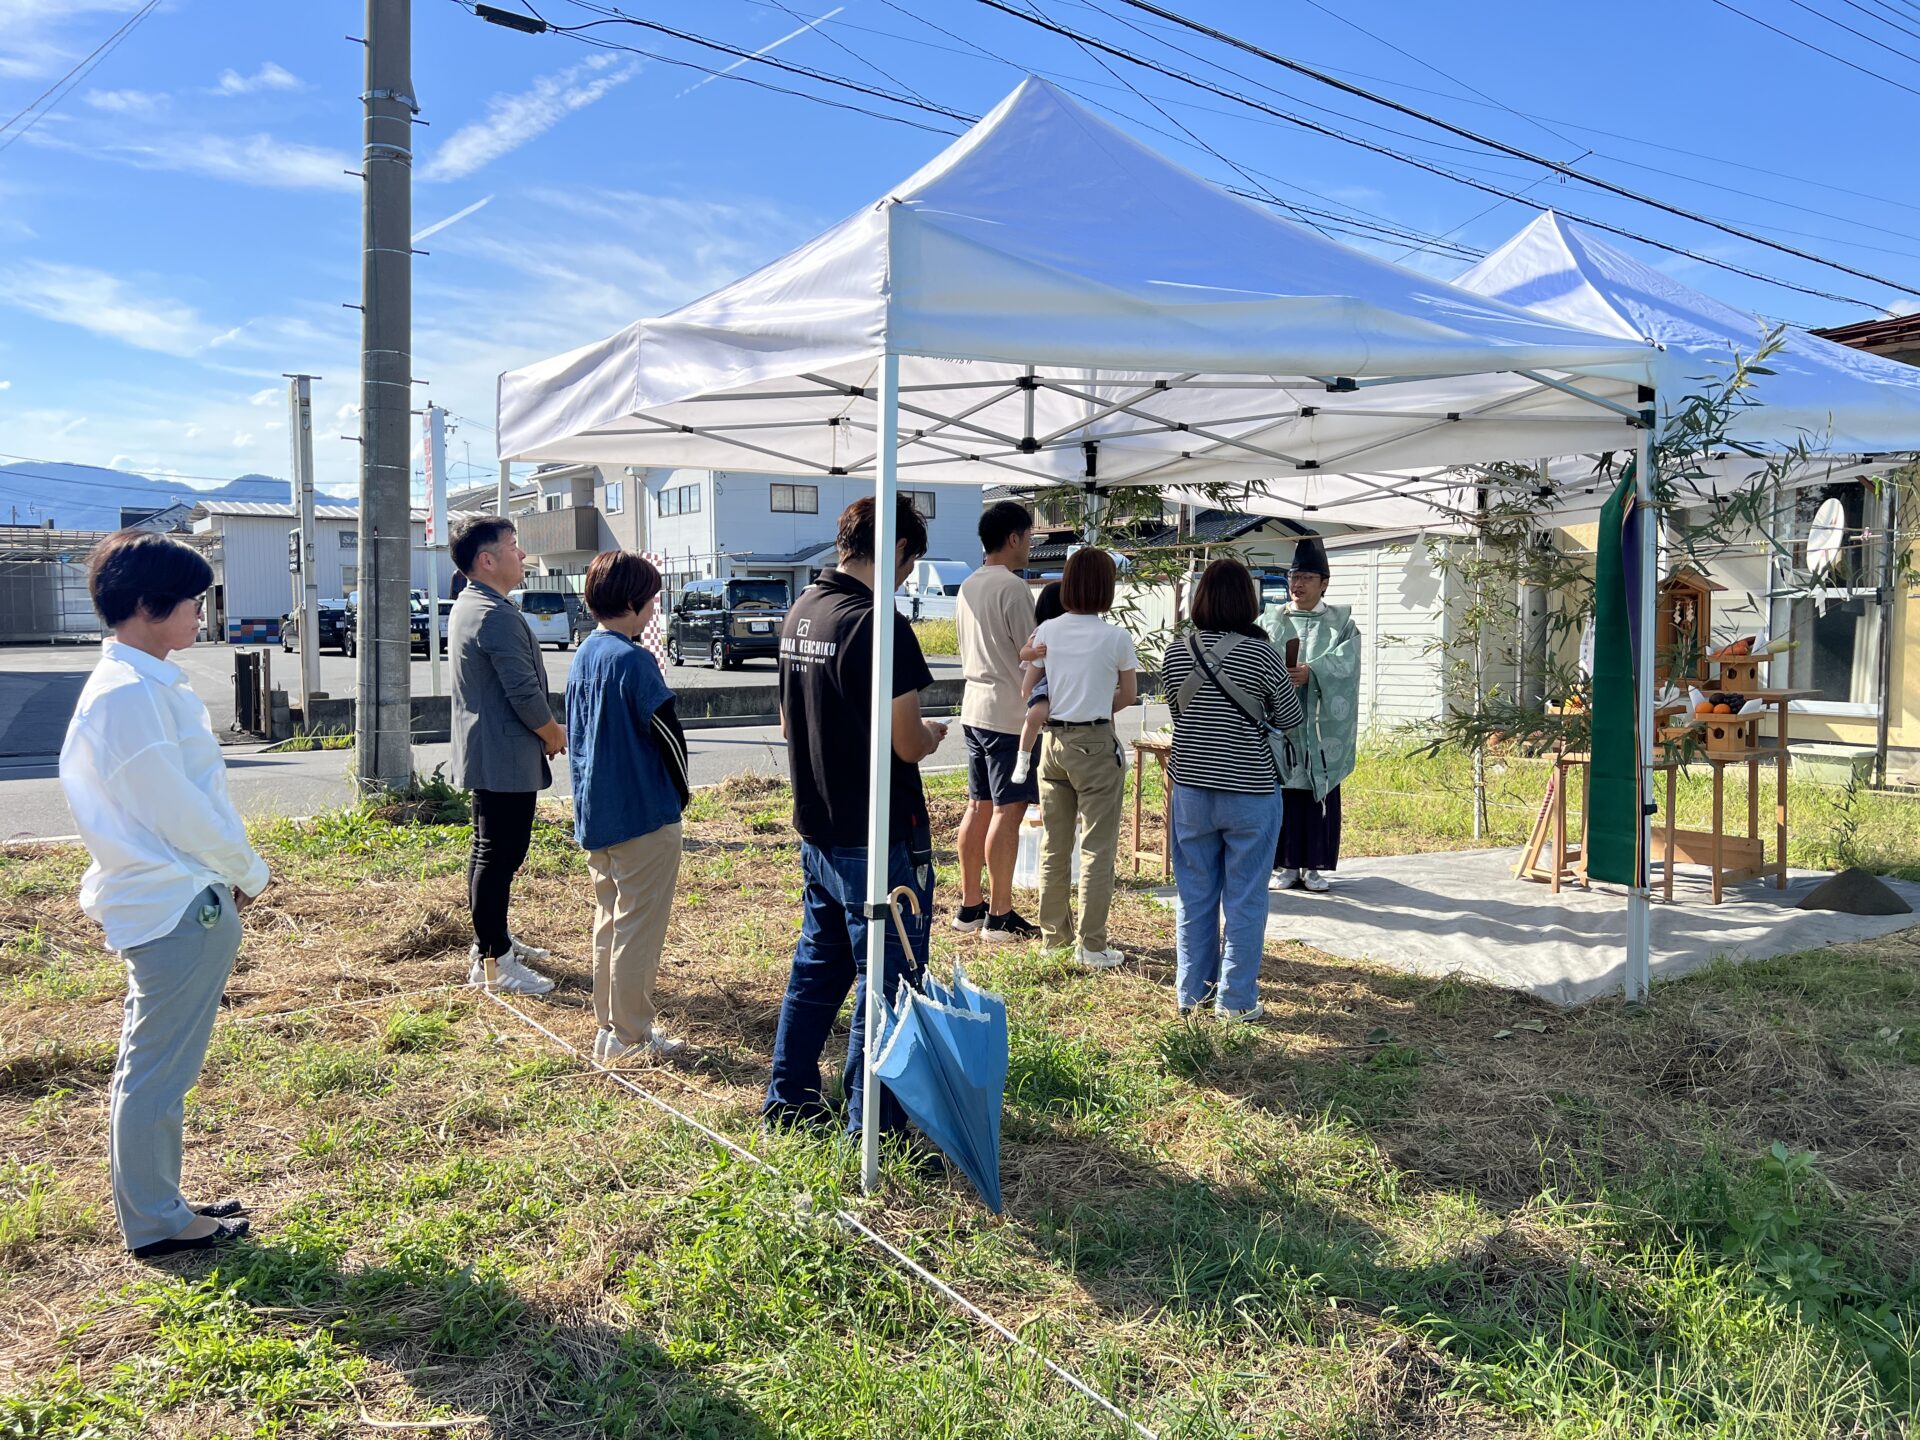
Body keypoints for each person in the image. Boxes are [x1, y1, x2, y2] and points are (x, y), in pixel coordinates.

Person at [58, 531, 268, 1258]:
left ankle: (161, 1202)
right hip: (173, 899)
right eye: (194, 602)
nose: (201, 617)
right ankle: (157, 1220)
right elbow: (181, 811)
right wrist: (249, 870)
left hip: (176, 893)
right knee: (158, 1068)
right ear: (149, 606)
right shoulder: (126, 696)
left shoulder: (140, 682)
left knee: (158, 1063)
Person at [764, 496, 947, 1136]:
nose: (906, 578)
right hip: (877, 829)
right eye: (909, 563)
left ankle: (787, 1097)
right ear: (898, 550)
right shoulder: (879, 622)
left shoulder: (803, 610)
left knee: (818, 967)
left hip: (819, 823)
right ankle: (870, 1124)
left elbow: (789, 721)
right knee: (888, 977)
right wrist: (931, 733)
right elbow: (904, 740)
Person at [1161, 559, 1305, 1022]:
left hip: (1191, 790)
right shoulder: (1262, 655)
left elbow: (1179, 713)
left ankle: (1191, 995)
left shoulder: (1176, 651)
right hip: (1251, 790)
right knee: (1245, 896)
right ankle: (1237, 1001)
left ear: (1200, 598)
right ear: (1249, 601)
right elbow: (1291, 721)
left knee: (1195, 894)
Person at [565, 551, 692, 1065]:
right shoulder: (634, 660)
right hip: (643, 812)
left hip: (597, 812)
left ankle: (610, 1026)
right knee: (638, 927)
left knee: (610, 920)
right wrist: (679, 796)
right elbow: (669, 737)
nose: (654, 611)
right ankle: (630, 1036)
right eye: (653, 601)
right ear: (636, 603)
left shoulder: (585, 653)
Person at [447, 516, 567, 995]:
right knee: (499, 854)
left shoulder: (476, 604)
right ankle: (493, 958)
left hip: (493, 750)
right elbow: (523, 692)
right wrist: (552, 733)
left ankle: (492, 941)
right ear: (487, 559)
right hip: (503, 753)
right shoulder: (492, 613)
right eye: (513, 546)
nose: (522, 555)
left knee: (493, 852)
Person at [1031, 547, 1138, 969]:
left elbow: (1033, 681)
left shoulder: (1048, 631)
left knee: (1054, 845)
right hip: (1095, 743)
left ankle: (1053, 939)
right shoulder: (1115, 637)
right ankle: (1092, 946)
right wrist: (1095, 700)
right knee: (1097, 847)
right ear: (1106, 588)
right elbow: (1127, 697)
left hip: (1052, 743)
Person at [952, 500, 1040, 941]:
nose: (1030, 544)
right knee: (1009, 811)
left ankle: (971, 905)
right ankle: (1000, 915)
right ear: (1013, 538)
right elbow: (1032, 653)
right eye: (1028, 536)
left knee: (978, 806)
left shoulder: (968, 585)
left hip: (974, 707)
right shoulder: (1013, 588)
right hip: (1009, 713)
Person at [1259, 537, 1362, 893]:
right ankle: (1284, 864)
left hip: (1320, 727)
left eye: (1305, 577)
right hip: (1282, 725)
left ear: (1324, 583)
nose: (1297, 584)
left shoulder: (1341, 623)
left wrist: (1313, 672)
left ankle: (1313, 867)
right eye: (1293, 577)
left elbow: (1348, 665)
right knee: (1283, 793)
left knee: (1317, 794)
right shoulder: (1270, 621)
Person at [1010, 582, 1067, 780]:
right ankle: (1023, 758)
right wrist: (1035, 651)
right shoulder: (1043, 630)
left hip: (1058, 681)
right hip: (1043, 683)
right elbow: (1023, 652)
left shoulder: (1069, 630)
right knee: (1035, 715)